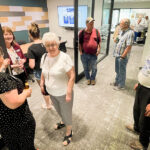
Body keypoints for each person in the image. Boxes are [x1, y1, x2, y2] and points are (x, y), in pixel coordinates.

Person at [40, 32, 75, 146]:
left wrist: (69, 91)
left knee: (67, 113)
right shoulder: (44, 56)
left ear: (58, 44)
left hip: (63, 92)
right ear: (45, 46)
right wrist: (42, 83)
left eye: (53, 44)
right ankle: (63, 121)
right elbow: (43, 71)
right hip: (51, 92)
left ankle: (69, 132)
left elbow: (72, 76)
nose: (51, 47)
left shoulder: (64, 58)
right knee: (59, 110)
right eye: (48, 45)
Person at [0, 48, 36, 150]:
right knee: (25, 146)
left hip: (6, 123)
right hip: (18, 123)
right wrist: (26, 93)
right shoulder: (3, 79)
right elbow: (14, 103)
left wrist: (3, 67)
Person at [126, 56, 150, 150]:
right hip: (142, 87)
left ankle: (143, 143)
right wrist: (140, 83)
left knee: (145, 120)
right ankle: (137, 128)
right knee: (136, 110)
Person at [27, 22, 52, 110]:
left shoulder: (31, 48)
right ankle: (52, 100)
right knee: (50, 85)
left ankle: (48, 105)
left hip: (39, 72)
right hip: (50, 69)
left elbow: (32, 65)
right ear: (39, 33)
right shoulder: (46, 44)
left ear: (30, 35)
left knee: (43, 88)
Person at [111, 18, 134, 90]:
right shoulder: (122, 31)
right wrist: (116, 38)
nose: (119, 25)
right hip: (117, 55)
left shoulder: (130, 33)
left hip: (122, 56)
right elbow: (118, 39)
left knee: (122, 71)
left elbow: (129, 46)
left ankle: (121, 85)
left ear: (126, 25)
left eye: (121, 23)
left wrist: (122, 57)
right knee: (117, 70)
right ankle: (117, 82)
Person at [79, 17, 101, 85]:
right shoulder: (82, 32)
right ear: (86, 24)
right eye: (90, 23)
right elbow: (80, 43)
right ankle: (88, 78)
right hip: (84, 54)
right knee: (86, 68)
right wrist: (81, 52)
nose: (92, 25)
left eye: (93, 23)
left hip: (93, 54)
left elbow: (99, 41)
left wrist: (99, 49)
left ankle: (93, 79)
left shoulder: (96, 31)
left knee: (94, 68)